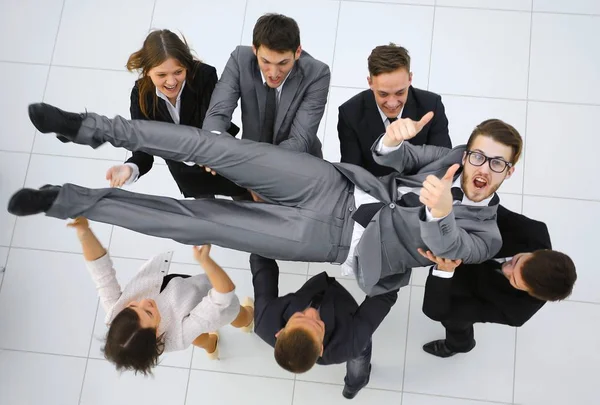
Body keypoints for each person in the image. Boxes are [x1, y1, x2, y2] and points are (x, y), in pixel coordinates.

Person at [12, 102, 521, 296]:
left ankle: (66, 200)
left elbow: (452, 244)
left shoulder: (487, 234)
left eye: (497, 164)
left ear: (510, 171)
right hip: (334, 185)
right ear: (469, 150)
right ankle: (88, 128)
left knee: (198, 222)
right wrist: (393, 140)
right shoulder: (452, 157)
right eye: (479, 156)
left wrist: (440, 211)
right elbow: (393, 163)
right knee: (213, 147)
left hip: (329, 239)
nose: (482, 170)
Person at [66, 216, 255, 374]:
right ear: (157, 334)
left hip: (182, 296)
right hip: (197, 301)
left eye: (132, 306)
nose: (144, 302)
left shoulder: (115, 311)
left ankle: (210, 345)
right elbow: (223, 296)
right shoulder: (177, 336)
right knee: (234, 313)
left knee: (198, 336)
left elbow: (101, 272)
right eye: (148, 313)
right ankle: (246, 322)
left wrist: (84, 232)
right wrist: (205, 261)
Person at [418, 205, 577, 357]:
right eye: (516, 261)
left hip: (467, 290)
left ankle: (459, 345)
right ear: (538, 252)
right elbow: (487, 209)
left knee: (455, 323)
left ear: (529, 292)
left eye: (513, 279)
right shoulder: (534, 231)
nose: (505, 269)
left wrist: (444, 271)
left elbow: (435, 310)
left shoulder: (515, 312)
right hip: (466, 243)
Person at [105, 29, 246, 198]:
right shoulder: (141, 96)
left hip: (224, 164)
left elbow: (215, 121)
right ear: (147, 70)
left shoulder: (204, 76)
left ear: (187, 66)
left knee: (249, 206)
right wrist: (130, 168)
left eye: (178, 72)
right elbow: (143, 149)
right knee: (208, 221)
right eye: (161, 75)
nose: (171, 82)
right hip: (189, 179)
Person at [250, 254, 397, 399]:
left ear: (280, 332)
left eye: (299, 316)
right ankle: (354, 386)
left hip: (319, 289)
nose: (312, 313)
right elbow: (385, 295)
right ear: (321, 348)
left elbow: (261, 261)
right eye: (318, 325)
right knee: (360, 354)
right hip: (346, 328)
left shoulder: (264, 319)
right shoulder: (349, 342)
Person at [202, 13, 330, 158]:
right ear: (254, 50)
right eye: (266, 62)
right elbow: (218, 114)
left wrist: (256, 161)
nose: (274, 73)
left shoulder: (317, 74)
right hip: (252, 159)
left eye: (283, 63)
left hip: (297, 163)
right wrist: (213, 146)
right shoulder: (240, 59)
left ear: (298, 52)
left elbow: (300, 140)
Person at [338, 43, 451, 177]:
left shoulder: (431, 105)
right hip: (372, 191)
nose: (392, 103)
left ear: (410, 79)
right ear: (370, 83)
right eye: (383, 94)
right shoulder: (350, 113)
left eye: (400, 92)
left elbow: (444, 163)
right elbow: (352, 173)